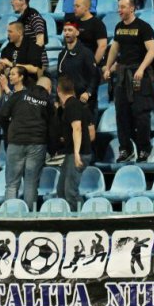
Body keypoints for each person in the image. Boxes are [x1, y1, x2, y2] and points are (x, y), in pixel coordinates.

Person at [103, 0, 154, 162]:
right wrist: (108, 67)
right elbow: (115, 48)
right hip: (122, 75)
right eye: (119, 7)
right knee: (121, 114)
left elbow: (152, 51)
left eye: (122, 7)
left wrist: (141, 68)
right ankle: (125, 149)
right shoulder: (119, 27)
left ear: (132, 8)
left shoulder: (144, 27)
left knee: (141, 115)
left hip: (139, 75)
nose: (119, 10)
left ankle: (144, 149)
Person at [0, 76, 53, 208]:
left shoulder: (19, 95)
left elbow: (2, 115)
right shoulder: (48, 101)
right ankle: (29, 215)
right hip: (37, 143)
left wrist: (9, 131)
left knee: (12, 184)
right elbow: (52, 125)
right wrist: (51, 147)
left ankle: (10, 215)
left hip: (16, 141)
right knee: (31, 183)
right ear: (49, 89)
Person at [56, 75, 93, 208]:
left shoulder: (72, 105)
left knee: (70, 192)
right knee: (61, 190)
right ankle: (68, 216)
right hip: (71, 153)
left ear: (58, 90)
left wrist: (77, 153)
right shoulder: (70, 105)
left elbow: (77, 128)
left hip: (78, 153)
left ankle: (80, 218)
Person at [57, 21, 99, 115]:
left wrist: (88, 92)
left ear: (77, 33)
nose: (67, 33)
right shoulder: (62, 54)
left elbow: (95, 76)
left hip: (85, 102)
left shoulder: (86, 53)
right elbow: (59, 77)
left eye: (70, 30)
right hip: (67, 101)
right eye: (65, 30)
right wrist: (58, 99)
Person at [73, 0, 108, 66]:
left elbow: (102, 46)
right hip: (76, 61)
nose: (74, 9)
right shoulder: (75, 23)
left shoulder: (97, 23)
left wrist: (93, 64)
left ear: (86, 7)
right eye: (74, 6)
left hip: (90, 61)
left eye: (77, 6)